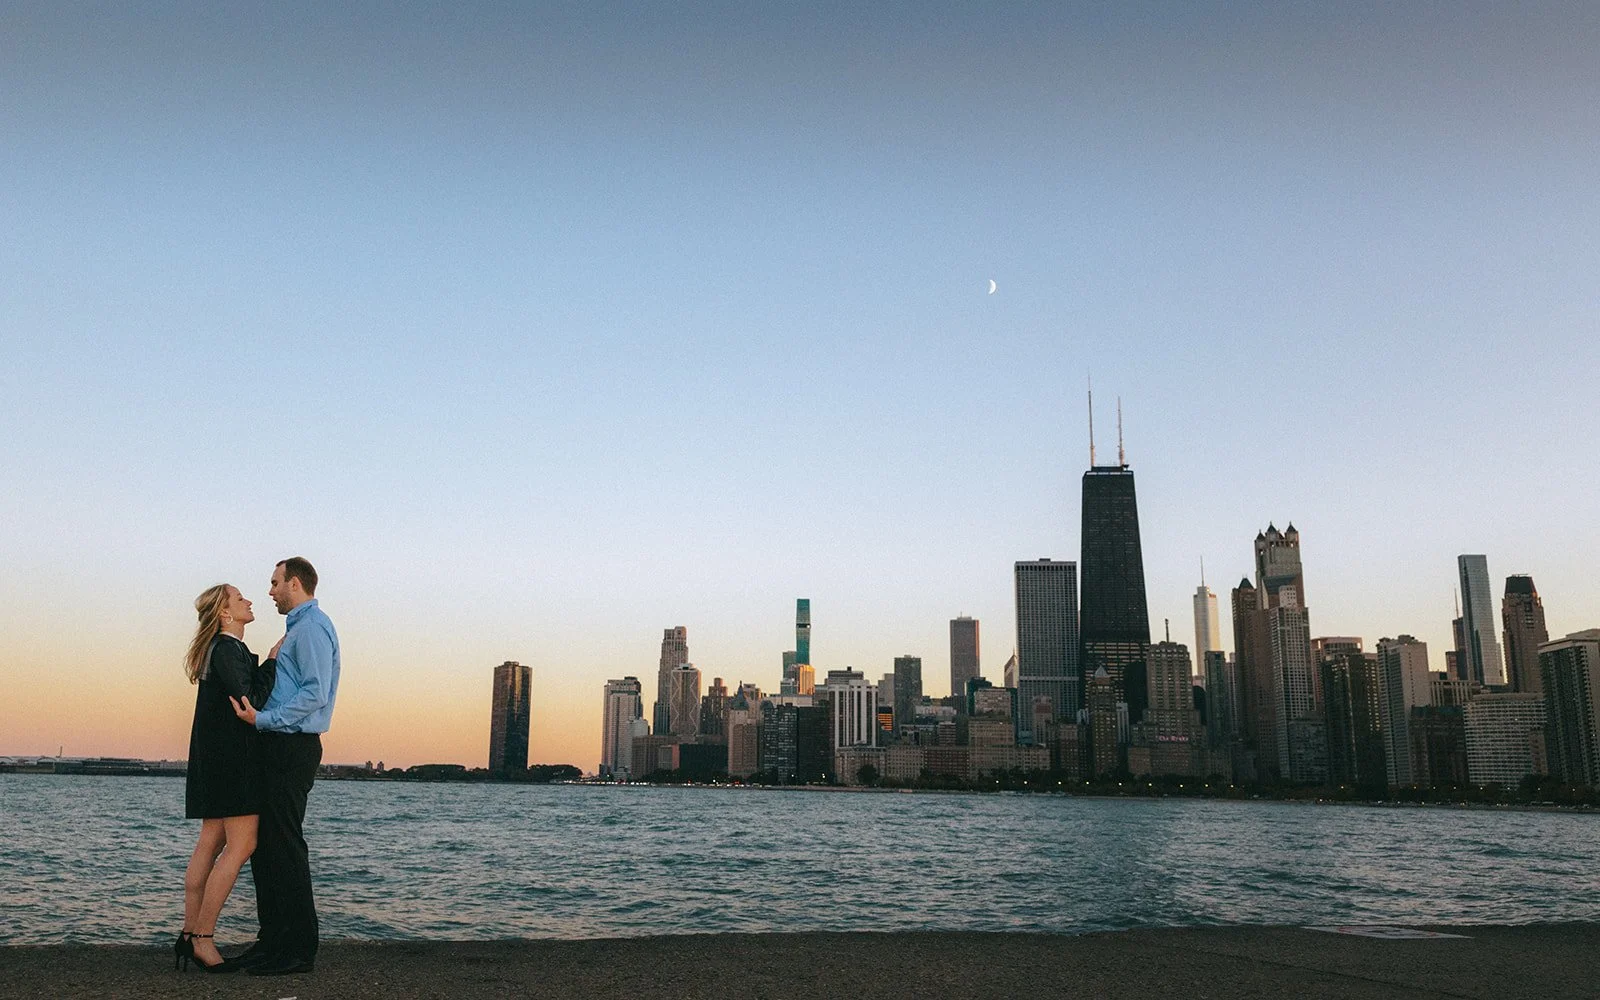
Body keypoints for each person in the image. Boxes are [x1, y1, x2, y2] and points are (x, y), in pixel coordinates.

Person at [228, 556, 340, 976]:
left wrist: (263, 719)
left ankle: (298, 950)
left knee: (285, 846)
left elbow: (315, 695)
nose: (270, 591)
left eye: (275, 583)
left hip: (291, 747)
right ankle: (272, 942)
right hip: (278, 746)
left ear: (295, 584)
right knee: (267, 848)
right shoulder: (299, 630)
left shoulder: (311, 629)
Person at [179, 583, 278, 973]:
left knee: (211, 841)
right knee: (242, 844)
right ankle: (203, 938)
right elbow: (251, 700)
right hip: (233, 763)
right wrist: (272, 661)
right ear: (225, 613)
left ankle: (189, 935)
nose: (250, 601)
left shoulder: (218, 651)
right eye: (240, 599)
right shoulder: (227, 648)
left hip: (214, 761)